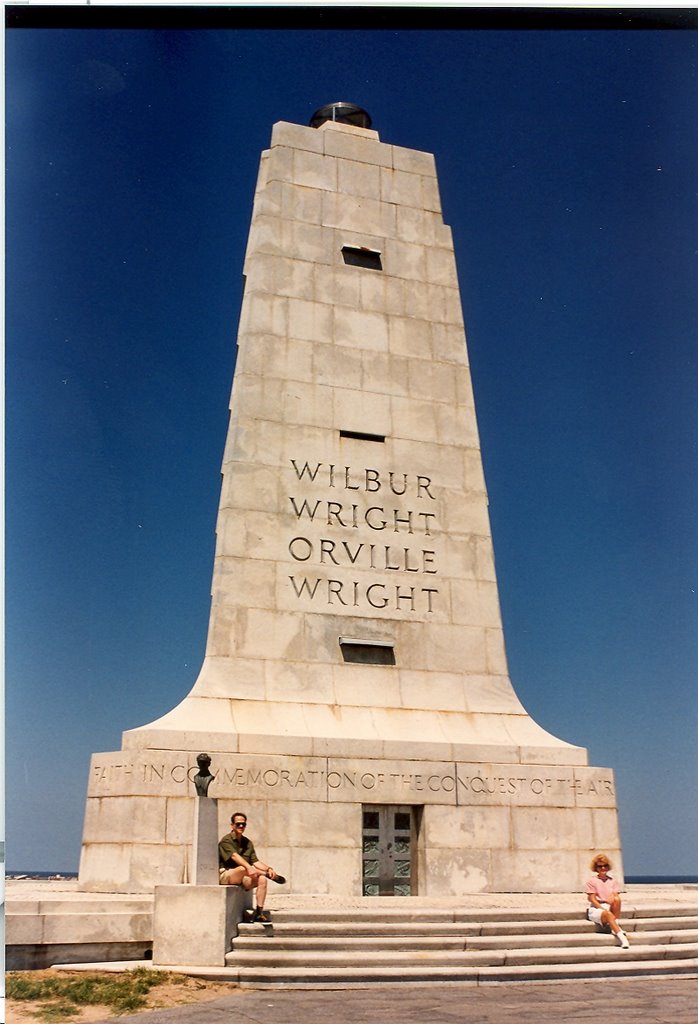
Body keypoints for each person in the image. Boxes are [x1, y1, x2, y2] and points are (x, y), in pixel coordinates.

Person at [218, 811, 279, 923]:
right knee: (243, 868)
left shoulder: (247, 842)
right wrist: (249, 867)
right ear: (232, 825)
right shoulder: (226, 840)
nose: (241, 826)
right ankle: (263, 873)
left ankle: (259, 913)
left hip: (243, 876)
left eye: (243, 824)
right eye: (238, 824)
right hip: (226, 875)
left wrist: (269, 869)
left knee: (262, 879)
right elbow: (235, 856)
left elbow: (255, 861)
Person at [585, 853, 630, 949]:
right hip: (597, 908)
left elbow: (615, 895)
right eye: (600, 866)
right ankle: (622, 938)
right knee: (608, 914)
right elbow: (592, 899)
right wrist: (602, 908)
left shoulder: (612, 881)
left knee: (617, 900)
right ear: (596, 868)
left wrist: (613, 897)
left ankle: (614, 926)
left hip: (608, 906)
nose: (603, 868)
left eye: (605, 866)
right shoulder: (592, 881)